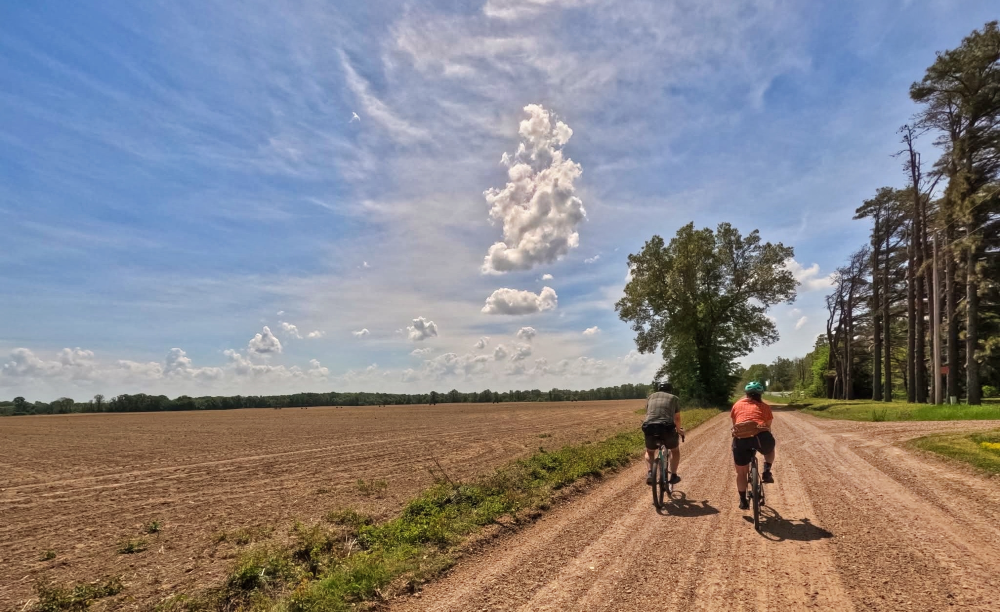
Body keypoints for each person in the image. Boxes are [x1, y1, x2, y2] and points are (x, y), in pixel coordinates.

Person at [731, 381, 775, 510]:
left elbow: (735, 424)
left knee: (741, 472)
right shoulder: (765, 407)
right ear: (760, 394)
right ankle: (767, 471)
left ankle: (743, 501)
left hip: (741, 439)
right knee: (770, 449)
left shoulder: (737, 405)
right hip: (760, 437)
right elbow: (768, 426)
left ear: (746, 394)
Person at [642, 380, 684, 486]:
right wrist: (679, 430)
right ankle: (674, 475)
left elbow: (649, 413)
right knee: (674, 450)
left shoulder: (650, 397)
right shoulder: (674, 398)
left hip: (649, 427)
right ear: (670, 390)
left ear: (658, 389)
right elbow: (677, 418)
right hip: (667, 428)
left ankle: (650, 473)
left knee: (650, 451)